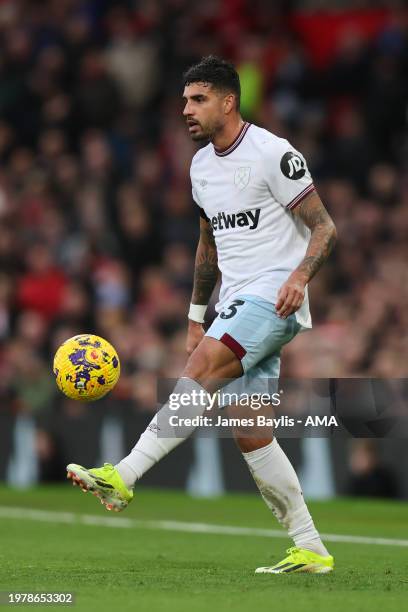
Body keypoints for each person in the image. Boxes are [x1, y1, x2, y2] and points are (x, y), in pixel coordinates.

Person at [67, 56, 337, 575]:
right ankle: (311, 548)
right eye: (185, 100)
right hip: (235, 301)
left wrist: (299, 278)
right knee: (250, 430)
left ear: (228, 101)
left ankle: (123, 476)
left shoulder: (272, 154)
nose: (185, 109)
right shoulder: (200, 166)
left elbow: (325, 228)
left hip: (272, 298)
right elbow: (208, 242)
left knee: (200, 372)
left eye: (198, 99)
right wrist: (195, 315)